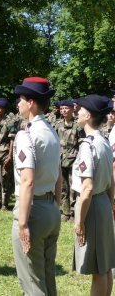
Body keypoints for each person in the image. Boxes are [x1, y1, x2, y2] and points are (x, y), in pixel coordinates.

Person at [12, 77, 61, 295]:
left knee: (32, 283)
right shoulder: (51, 132)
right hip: (50, 208)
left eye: (21, 99)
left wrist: (23, 224)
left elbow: (28, 180)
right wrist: (55, 205)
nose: (18, 104)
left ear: (31, 102)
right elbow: (58, 175)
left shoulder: (27, 134)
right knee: (48, 279)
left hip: (33, 210)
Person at [72, 94, 115, 296]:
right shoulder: (104, 141)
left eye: (79, 109)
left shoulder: (88, 145)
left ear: (88, 115)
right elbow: (112, 179)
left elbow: (87, 188)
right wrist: (111, 202)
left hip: (92, 206)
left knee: (99, 269)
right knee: (105, 265)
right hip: (104, 203)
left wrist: (80, 221)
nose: (76, 112)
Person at [57, 100, 85, 222]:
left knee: (74, 188)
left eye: (66, 108)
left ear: (73, 109)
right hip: (61, 160)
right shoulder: (57, 124)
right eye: (62, 108)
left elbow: (82, 144)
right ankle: (65, 212)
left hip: (74, 161)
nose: (63, 110)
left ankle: (74, 213)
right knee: (63, 188)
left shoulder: (78, 125)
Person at [0, 97, 16, 210]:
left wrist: (10, 156)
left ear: (4, 109)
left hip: (5, 154)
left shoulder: (9, 121)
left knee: (5, 179)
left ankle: (5, 203)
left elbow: (12, 140)